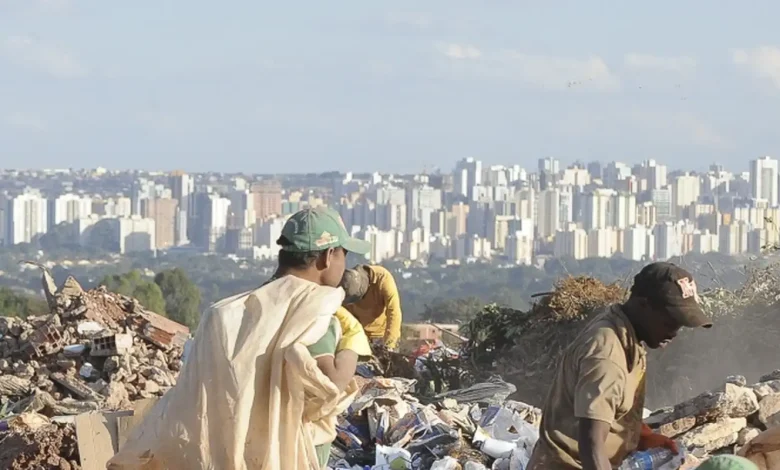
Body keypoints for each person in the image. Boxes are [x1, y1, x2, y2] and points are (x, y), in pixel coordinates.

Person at [108, 207, 373, 470]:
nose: (345, 265)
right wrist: (351, 341)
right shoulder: (313, 310)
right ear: (328, 257)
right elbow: (332, 384)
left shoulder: (226, 313)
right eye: (344, 255)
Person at [527, 262, 713, 470]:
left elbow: (611, 408)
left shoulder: (626, 335)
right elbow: (591, 445)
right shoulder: (607, 354)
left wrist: (640, 436)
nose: (674, 332)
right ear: (643, 305)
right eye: (670, 321)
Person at [341, 263, 403, 350]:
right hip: (359, 336)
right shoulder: (347, 283)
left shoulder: (383, 278)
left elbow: (394, 311)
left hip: (382, 336)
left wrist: (390, 344)